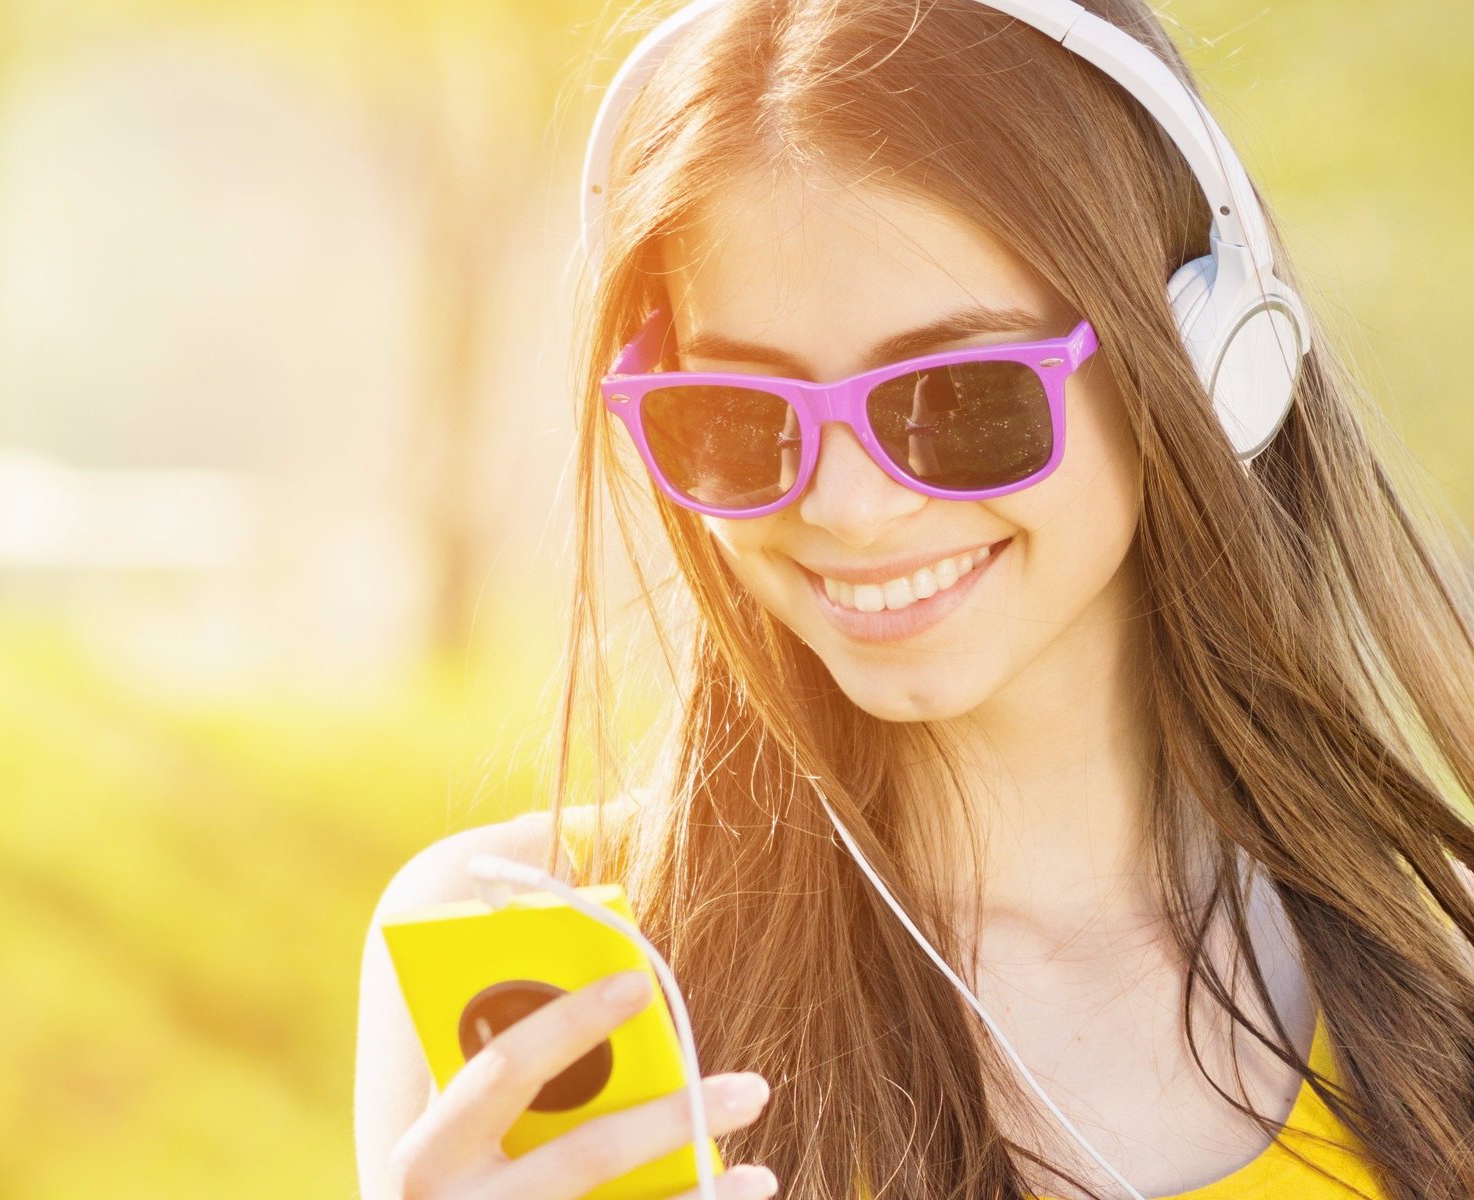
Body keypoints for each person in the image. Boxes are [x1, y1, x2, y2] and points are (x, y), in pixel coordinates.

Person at [353, 1, 1474, 1197]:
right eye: (738, 418)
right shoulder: (544, 971)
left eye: (961, 402)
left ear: (1208, 365)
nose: (847, 507)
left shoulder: (1444, 965)